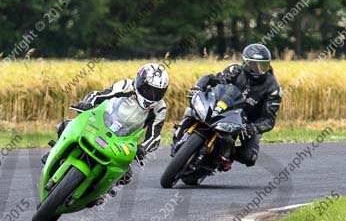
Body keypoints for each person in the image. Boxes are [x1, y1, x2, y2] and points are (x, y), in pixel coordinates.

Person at [47, 63, 169, 188]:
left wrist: (143, 148)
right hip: (102, 122)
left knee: (125, 176)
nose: (152, 95)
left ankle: (100, 193)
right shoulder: (126, 85)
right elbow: (99, 95)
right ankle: (55, 153)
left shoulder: (160, 108)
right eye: (148, 89)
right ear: (139, 82)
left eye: (157, 92)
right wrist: (87, 103)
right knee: (67, 125)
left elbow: (154, 137)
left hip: (124, 141)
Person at [173, 43, 281, 171]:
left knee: (249, 157)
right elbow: (212, 79)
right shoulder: (235, 71)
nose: (258, 70)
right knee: (193, 109)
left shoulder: (273, 88)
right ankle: (182, 127)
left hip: (248, 122)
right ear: (245, 62)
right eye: (253, 65)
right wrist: (198, 87)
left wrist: (253, 128)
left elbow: (269, 119)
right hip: (225, 107)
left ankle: (228, 155)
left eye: (262, 66)